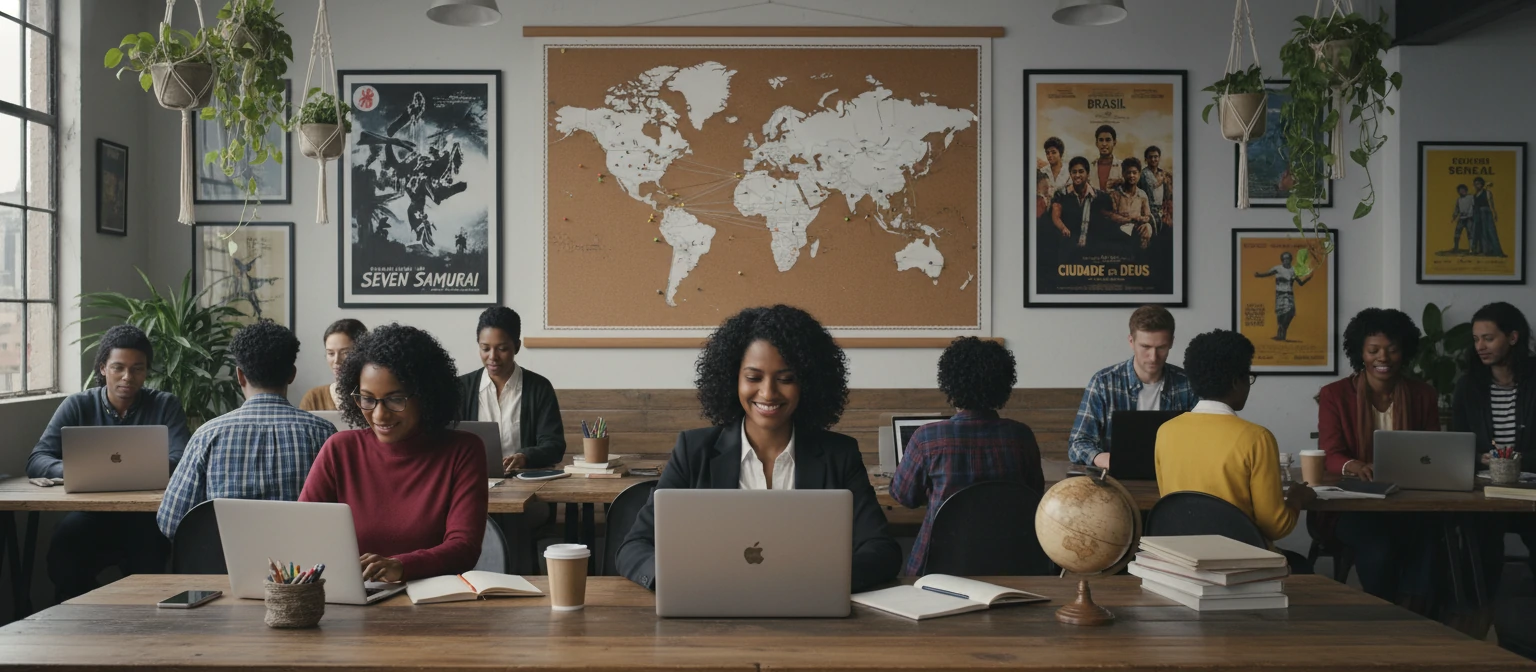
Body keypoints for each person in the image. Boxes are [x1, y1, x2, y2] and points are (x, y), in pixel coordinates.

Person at [616, 305, 901, 592]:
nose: (768, 393)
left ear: (808, 383)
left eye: (786, 379)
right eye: (753, 378)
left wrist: (820, 582)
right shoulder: (694, 450)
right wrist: (677, 580)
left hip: (808, 610)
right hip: (711, 608)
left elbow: (881, 551)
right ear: (732, 379)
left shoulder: (839, 454)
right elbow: (634, 547)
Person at [299, 324, 488, 583]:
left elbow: (464, 547)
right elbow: (302, 532)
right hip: (352, 600)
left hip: (431, 604)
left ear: (426, 395)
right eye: (367, 399)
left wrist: (400, 565)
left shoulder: (463, 451)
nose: (379, 415)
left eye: (395, 399)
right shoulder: (339, 450)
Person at [27, 325, 191, 602]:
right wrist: (74, 472)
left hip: (146, 517)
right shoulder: (78, 405)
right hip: (91, 514)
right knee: (65, 549)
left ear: (146, 371)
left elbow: (182, 459)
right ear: (103, 368)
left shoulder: (165, 405)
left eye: (137, 368)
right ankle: (85, 620)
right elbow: (37, 459)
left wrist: (142, 469)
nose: (128, 377)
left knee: (150, 567)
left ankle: (143, 630)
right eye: (118, 367)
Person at [158, 321, 335, 539]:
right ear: (292, 374)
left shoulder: (207, 435)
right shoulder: (324, 434)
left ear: (240, 376)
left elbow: (170, 522)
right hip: (302, 568)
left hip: (223, 569)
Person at [1154, 330, 1316, 568]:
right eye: (1248, 377)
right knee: (1302, 566)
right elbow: (1275, 526)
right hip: (1240, 565)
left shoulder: (1165, 432)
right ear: (1235, 382)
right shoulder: (1256, 438)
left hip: (1181, 562)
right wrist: (1296, 498)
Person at [1317, 307, 1439, 608]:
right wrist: (1355, 465)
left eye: (1392, 350)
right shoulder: (1335, 395)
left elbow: (1434, 451)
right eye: (1373, 350)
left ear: (1404, 352)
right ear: (1361, 352)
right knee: (1378, 545)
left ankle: (1417, 613)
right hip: (1351, 505)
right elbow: (1330, 453)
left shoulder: (1423, 394)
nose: (1382, 358)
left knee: (1434, 537)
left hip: (1407, 502)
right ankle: (1386, 612)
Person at [890, 337, 1043, 576]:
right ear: (1003, 385)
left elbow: (904, 497)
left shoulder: (927, 438)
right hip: (1011, 565)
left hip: (938, 568)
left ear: (949, 384)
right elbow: (1033, 496)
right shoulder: (1021, 437)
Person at [1451, 302, 1535, 591]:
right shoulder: (1468, 386)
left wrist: (1517, 462)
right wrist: (1480, 457)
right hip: (1484, 491)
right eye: (1476, 339)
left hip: (1532, 487)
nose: (1480, 346)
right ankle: (1479, 611)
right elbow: (1457, 442)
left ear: (1513, 337)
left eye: (1488, 338)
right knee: (1480, 538)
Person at [1068, 305, 1197, 469]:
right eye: (1145, 347)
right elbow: (1078, 443)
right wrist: (1105, 459)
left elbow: (1202, 440)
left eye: (1161, 348)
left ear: (1171, 342)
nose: (1153, 357)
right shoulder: (1104, 382)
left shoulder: (1187, 383)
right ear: (1131, 341)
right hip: (1117, 481)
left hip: (1173, 475)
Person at [456, 306, 566, 474]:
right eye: (485, 348)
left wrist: (524, 457)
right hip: (474, 480)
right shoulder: (462, 388)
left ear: (517, 346)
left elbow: (554, 446)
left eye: (502, 349)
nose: (492, 357)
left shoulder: (539, 388)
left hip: (525, 482)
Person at [1049, 156, 1110, 262]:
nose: (1077, 175)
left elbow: (1107, 220)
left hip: (1092, 252)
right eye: (1074, 172)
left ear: (1088, 173)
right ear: (1070, 174)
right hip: (1068, 251)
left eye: (1081, 171)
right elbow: (1055, 216)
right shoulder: (1061, 194)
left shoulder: (1100, 197)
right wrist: (1063, 228)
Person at [299, 319, 367, 411]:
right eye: (331, 353)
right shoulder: (313, 397)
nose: (336, 361)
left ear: (362, 353)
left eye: (345, 353)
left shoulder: (377, 396)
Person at [1254, 251, 1313, 341]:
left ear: (1290, 259)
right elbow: (1267, 274)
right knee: (1280, 314)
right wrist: (1259, 275)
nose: (1286, 260)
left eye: (1288, 258)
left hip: (1289, 294)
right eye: (1284, 258)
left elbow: (1300, 283)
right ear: (1282, 260)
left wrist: (1308, 279)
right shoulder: (1278, 268)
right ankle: (1281, 336)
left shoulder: (1294, 270)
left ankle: (1282, 331)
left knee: (1290, 313)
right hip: (1280, 294)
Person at [1102, 157, 1153, 257]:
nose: (1131, 176)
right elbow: (1112, 216)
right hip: (1120, 228)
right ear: (1123, 174)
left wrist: (1140, 219)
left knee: (1147, 228)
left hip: (1137, 227)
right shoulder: (1115, 194)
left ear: (1139, 174)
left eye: (1134, 173)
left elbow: (1147, 216)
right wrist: (1128, 219)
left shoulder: (1142, 195)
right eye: (1128, 172)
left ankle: (1142, 256)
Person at [1137, 145, 1173, 234]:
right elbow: (1144, 190)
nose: (1153, 159)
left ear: (1159, 158)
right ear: (1146, 159)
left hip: (1162, 211)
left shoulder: (1163, 173)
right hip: (1147, 211)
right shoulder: (1142, 174)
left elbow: (1168, 194)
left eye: (1155, 157)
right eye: (1150, 157)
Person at [1472, 176, 1505, 257]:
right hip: (1478, 214)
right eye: (1475, 184)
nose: (1477, 186)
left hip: (1486, 212)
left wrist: (1494, 213)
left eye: (1478, 184)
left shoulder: (1487, 192)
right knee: (1479, 231)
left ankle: (1492, 251)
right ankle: (1483, 250)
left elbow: (1491, 204)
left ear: (1482, 184)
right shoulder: (1475, 194)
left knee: (1488, 231)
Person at [1092, 124, 1119, 192]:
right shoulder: (1090, 167)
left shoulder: (1123, 167)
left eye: (1108, 140)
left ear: (1114, 142)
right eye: (1101, 140)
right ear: (1096, 143)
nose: (1104, 144)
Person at [1450, 184, 1475, 254]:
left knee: (1470, 233)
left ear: (1466, 190)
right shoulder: (1459, 199)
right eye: (1460, 190)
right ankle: (1456, 248)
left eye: (1463, 190)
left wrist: (1471, 214)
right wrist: (1454, 217)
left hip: (1469, 218)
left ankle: (1471, 249)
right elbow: (1457, 209)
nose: (1461, 191)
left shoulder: (1471, 197)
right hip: (1461, 218)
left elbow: (1474, 206)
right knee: (1457, 233)